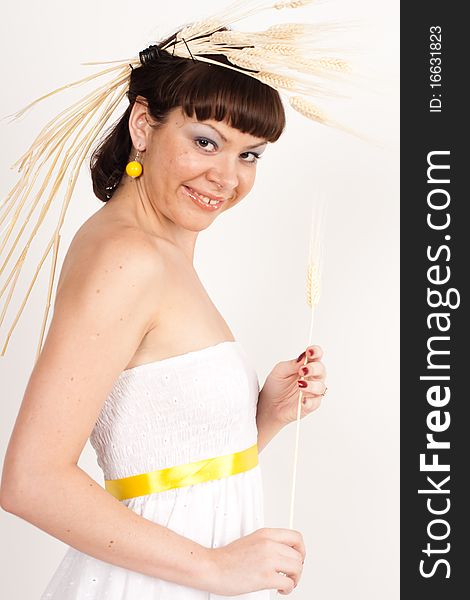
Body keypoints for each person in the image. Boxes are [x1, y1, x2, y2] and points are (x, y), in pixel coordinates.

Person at [0, 5, 331, 598]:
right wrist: (215, 568)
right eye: (206, 142)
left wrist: (265, 418)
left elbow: (159, 470)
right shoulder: (129, 258)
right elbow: (30, 480)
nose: (227, 178)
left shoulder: (159, 248)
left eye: (249, 154)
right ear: (144, 125)